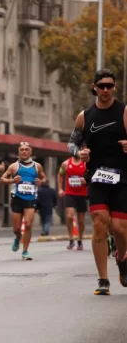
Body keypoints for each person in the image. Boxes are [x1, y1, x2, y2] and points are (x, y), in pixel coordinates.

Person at [66, 68, 127, 295]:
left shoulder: (124, 112)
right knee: (100, 222)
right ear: (94, 87)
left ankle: (122, 258)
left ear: (114, 87)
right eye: (101, 86)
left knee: (120, 228)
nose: (105, 90)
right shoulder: (85, 116)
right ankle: (103, 279)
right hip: (97, 176)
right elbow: (72, 143)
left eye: (109, 86)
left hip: (122, 175)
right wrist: (77, 154)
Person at [0, 143, 46, 261]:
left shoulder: (37, 166)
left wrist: (41, 182)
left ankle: (25, 251)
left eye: (26, 150)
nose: (24, 152)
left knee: (29, 224)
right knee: (16, 228)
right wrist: (12, 180)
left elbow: (44, 178)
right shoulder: (14, 166)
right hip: (17, 198)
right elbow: (2, 179)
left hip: (31, 198)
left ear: (30, 152)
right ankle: (17, 237)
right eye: (22, 150)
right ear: (19, 152)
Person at [57, 155, 88, 250]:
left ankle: (80, 240)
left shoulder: (86, 163)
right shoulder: (65, 164)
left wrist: (86, 180)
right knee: (70, 216)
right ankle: (71, 238)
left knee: (81, 220)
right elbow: (60, 175)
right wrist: (60, 189)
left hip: (82, 194)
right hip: (70, 193)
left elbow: (92, 175)